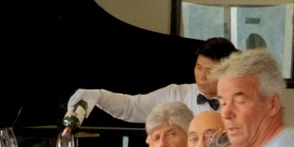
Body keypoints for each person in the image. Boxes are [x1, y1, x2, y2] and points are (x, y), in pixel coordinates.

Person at [69, 36, 235, 121]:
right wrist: (99, 96)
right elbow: (131, 107)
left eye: (209, 71)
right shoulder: (176, 94)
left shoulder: (239, 102)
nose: (201, 76)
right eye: (198, 68)